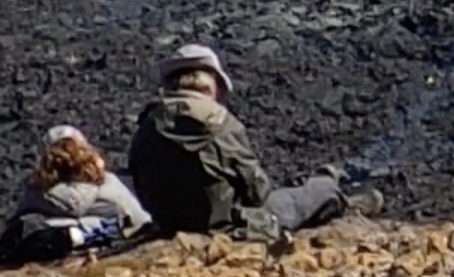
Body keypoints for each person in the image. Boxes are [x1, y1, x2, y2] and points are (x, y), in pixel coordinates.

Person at [124, 45, 341, 242]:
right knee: (316, 192)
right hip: (231, 228)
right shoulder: (221, 123)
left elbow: (140, 184)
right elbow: (257, 193)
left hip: (170, 227)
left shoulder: (146, 126)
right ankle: (340, 189)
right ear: (211, 86)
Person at [0, 128, 149, 265]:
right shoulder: (108, 182)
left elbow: (18, 224)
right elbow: (138, 220)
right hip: (123, 245)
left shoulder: (37, 192)